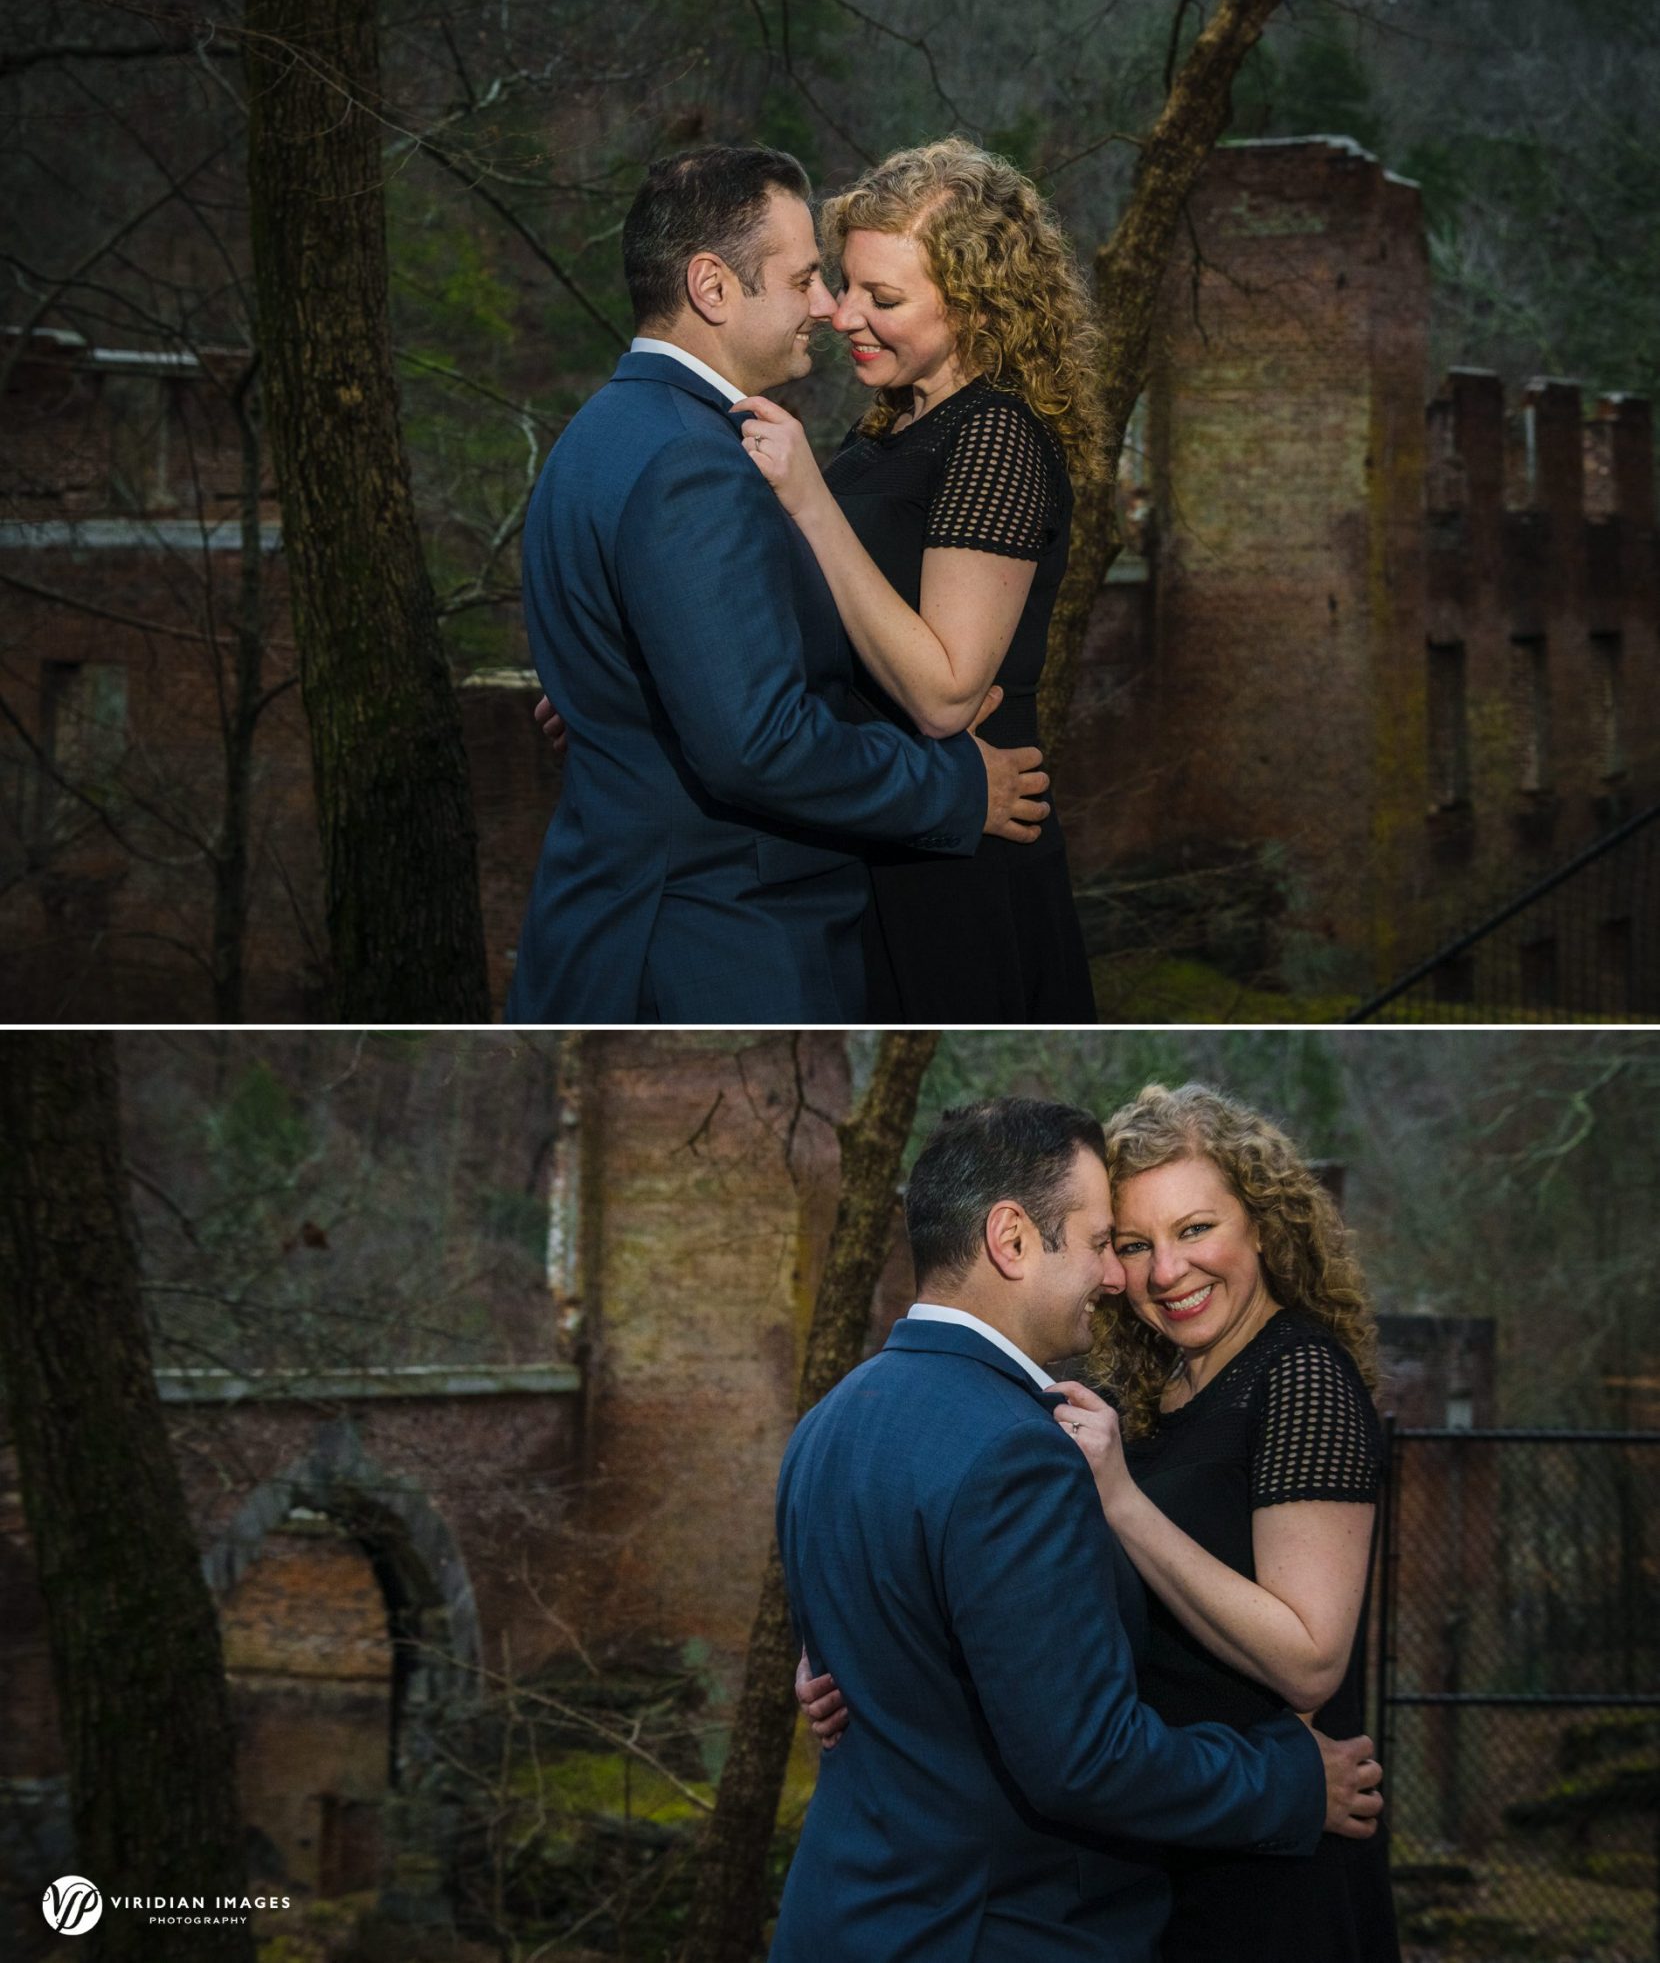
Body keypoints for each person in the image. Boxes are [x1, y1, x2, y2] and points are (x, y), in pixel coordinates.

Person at [772, 1097, 1383, 1963]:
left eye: (1196, 1228)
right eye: (1117, 1244)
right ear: (1012, 1240)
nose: (1127, 1275)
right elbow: (1078, 1751)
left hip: (871, 1913)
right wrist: (858, 1679)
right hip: (995, 1922)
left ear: (1265, 1224)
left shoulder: (826, 1421)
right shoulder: (1036, 1438)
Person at [503, 145, 1050, 1025]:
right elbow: (757, 744)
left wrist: (640, 697)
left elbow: (711, 661)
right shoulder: (693, 460)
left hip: (626, 921)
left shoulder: (603, 429)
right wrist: (954, 790)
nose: (827, 308)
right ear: (713, 288)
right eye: (804, 280)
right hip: (711, 944)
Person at [736, 139, 1099, 1022]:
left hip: (956, 879)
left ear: (979, 307)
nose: (843, 314)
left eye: (883, 298)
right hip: (887, 837)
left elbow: (942, 695)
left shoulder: (997, 438)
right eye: (847, 284)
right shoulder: (891, 430)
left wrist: (810, 502)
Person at [1046, 1083, 1401, 1962]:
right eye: (1136, 1244)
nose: (1168, 1273)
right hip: (1160, 1849)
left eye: (1196, 1229)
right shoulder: (1147, 1398)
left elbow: (1311, 1658)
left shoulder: (1302, 1379)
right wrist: (850, 1662)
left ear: (1263, 1226)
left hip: (1270, 1877)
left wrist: (1123, 1503)